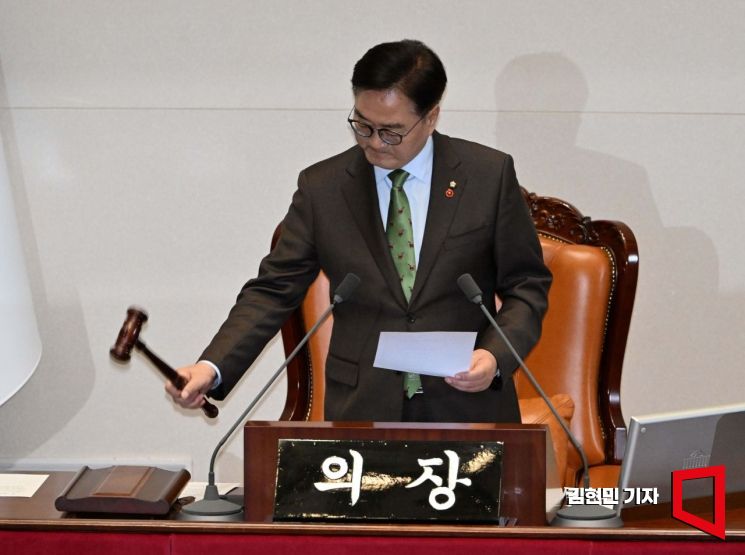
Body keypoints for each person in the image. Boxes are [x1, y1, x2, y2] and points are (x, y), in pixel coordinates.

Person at [166, 39, 551, 423]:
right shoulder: (324, 187)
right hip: (362, 407)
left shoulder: (486, 175)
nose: (373, 143)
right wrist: (210, 367)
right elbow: (273, 289)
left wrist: (494, 356)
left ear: (431, 117)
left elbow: (527, 285)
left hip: (467, 406)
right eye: (362, 126)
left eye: (391, 132)